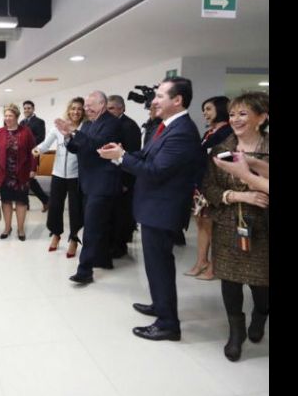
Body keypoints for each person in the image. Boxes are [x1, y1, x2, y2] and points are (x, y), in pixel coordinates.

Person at [97, 77, 202, 341]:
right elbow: (146, 156)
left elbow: (155, 171)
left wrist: (121, 158)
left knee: (160, 265)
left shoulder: (182, 132)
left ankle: (168, 324)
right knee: (156, 265)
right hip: (154, 207)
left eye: (160, 96)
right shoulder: (165, 126)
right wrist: (122, 152)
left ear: (177, 100)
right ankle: (160, 305)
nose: (154, 101)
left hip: (163, 210)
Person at [202, 92, 269, 361]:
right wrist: (238, 196)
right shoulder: (221, 148)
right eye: (232, 114)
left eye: (243, 114)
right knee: (229, 281)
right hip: (229, 223)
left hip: (263, 227)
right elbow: (209, 187)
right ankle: (236, 331)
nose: (235, 119)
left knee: (262, 284)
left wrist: (250, 174)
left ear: (261, 118)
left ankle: (260, 315)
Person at [55, 91, 122, 282]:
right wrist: (68, 137)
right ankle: (103, 260)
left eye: (90, 105)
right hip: (87, 182)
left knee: (92, 227)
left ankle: (85, 271)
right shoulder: (88, 124)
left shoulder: (111, 123)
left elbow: (97, 146)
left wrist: (75, 132)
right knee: (97, 224)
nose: (86, 109)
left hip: (102, 183)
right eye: (85, 105)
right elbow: (78, 147)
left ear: (102, 105)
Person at [186, 96, 233, 280]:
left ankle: (214, 266)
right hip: (201, 184)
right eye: (204, 109)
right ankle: (201, 261)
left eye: (208, 109)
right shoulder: (209, 133)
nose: (205, 113)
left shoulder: (228, 132)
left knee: (212, 226)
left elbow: (226, 161)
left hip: (215, 185)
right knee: (201, 223)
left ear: (220, 110)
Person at [33, 97, 85, 258]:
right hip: (58, 174)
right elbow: (45, 144)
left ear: (83, 111)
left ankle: (74, 239)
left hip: (76, 175)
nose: (76, 111)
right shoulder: (58, 127)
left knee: (75, 209)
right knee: (55, 206)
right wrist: (35, 150)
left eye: (79, 109)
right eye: (73, 108)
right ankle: (56, 234)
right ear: (68, 110)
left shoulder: (85, 128)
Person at [0, 103, 37, 241]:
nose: (7, 118)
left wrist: (33, 168)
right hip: (4, 174)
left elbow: (34, 151)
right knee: (6, 202)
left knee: (21, 202)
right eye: (6, 116)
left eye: (10, 115)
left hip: (21, 174)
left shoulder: (26, 131)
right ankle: (7, 227)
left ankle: (21, 229)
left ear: (16, 116)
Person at [106, 95, 142, 259]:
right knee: (114, 214)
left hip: (124, 178)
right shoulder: (113, 124)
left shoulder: (129, 126)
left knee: (122, 214)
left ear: (121, 108)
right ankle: (113, 244)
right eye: (107, 108)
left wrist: (126, 182)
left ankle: (120, 247)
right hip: (113, 177)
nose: (108, 111)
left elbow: (132, 155)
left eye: (112, 108)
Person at [20, 100, 50, 211]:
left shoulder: (39, 122)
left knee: (29, 179)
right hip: (22, 155)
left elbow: (41, 138)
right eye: (25, 108)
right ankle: (26, 203)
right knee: (24, 179)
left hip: (32, 154)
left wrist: (27, 142)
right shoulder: (22, 122)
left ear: (33, 109)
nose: (26, 110)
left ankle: (45, 200)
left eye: (29, 108)